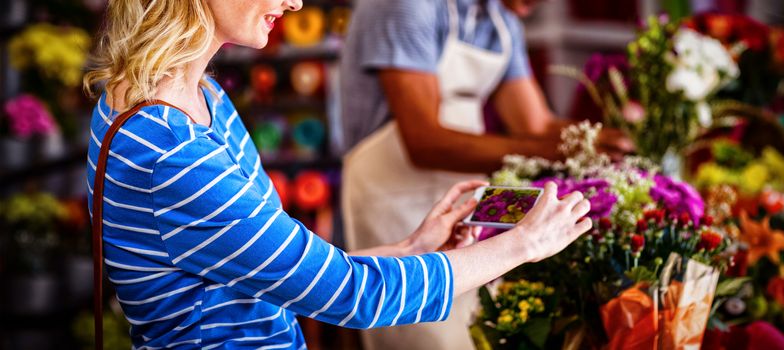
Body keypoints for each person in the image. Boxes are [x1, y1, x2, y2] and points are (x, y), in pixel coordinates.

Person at [82, 0, 591, 349]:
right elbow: (354, 295)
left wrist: (416, 247)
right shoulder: (173, 152)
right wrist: (524, 244)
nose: (297, 2)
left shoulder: (200, 99)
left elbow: (281, 275)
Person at [339, 0, 633, 349]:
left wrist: (607, 141)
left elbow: (535, 124)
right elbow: (424, 143)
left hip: (461, 198)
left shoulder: (501, 22)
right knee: (417, 330)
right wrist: (563, 151)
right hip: (391, 196)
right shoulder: (406, 6)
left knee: (474, 332)